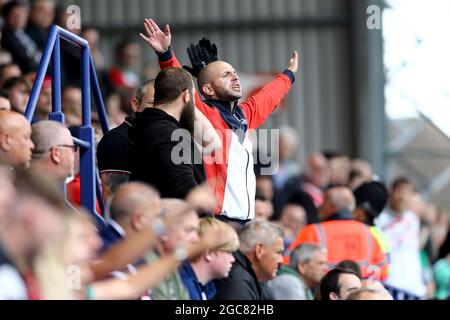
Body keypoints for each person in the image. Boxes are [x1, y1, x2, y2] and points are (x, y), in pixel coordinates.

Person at [139, 18, 298, 223]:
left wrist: (288, 76)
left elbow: (268, 96)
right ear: (207, 89)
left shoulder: (243, 115)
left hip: (243, 222)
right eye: (226, 75)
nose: (235, 77)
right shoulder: (204, 112)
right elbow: (180, 84)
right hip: (216, 219)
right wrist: (166, 54)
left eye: (234, 73)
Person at [129, 67, 204, 199]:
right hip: (177, 217)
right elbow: (185, 188)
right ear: (187, 96)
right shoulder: (174, 135)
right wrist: (206, 207)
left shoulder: (142, 127)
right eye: (193, 96)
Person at [287, 186, 389, 281]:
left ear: (330, 206)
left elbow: (288, 261)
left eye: (323, 203)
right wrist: (357, 278)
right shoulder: (368, 233)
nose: (319, 207)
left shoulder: (313, 231)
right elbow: (383, 270)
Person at [0, 169, 66, 299]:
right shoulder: (6, 279)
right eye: (53, 222)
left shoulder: (16, 271)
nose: (55, 234)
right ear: (32, 216)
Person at [375, 177, 426, 297]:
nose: (403, 197)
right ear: (391, 192)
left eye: (408, 193)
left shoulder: (413, 219)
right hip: (391, 284)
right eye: (400, 191)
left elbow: (414, 251)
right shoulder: (379, 218)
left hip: (414, 286)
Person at [145, 199, 201, 300]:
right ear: (163, 231)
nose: (196, 239)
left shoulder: (172, 267)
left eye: (196, 232)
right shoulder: (142, 266)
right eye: (188, 230)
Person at [214, 220, 284, 300]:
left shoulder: (249, 279)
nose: (281, 260)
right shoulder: (238, 285)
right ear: (259, 250)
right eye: (278, 252)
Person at [179, 217, 239, 300]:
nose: (233, 259)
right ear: (209, 253)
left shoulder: (208, 287)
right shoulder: (183, 289)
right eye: (228, 252)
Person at [1, 1, 41, 74]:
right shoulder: (7, 36)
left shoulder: (26, 32)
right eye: (15, 15)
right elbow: (25, 62)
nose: (19, 18)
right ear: (6, 16)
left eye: (22, 15)